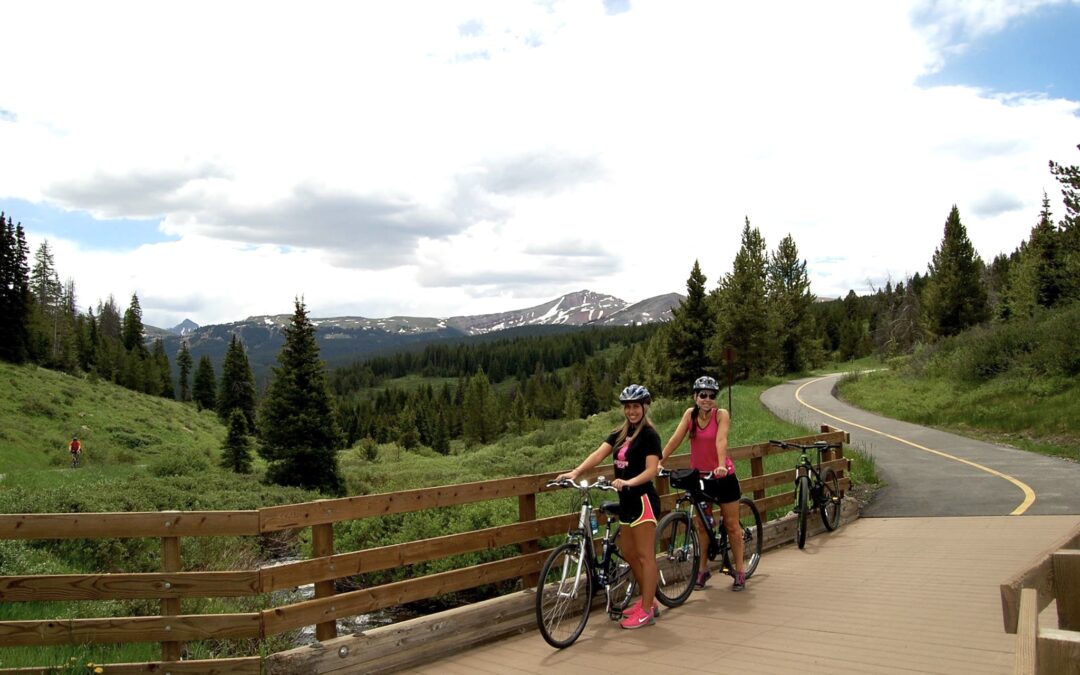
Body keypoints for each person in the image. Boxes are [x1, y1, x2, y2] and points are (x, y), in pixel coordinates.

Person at [557, 384, 661, 630]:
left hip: (643, 501)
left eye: (636, 406)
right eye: (628, 407)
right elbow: (598, 454)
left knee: (646, 556)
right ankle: (650, 600)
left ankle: (647, 610)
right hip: (626, 502)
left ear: (645, 407)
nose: (631, 411)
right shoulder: (620, 434)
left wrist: (628, 482)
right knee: (629, 553)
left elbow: (651, 470)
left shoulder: (649, 435)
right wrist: (576, 472)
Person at [660, 375, 746, 591]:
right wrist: (659, 461)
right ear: (695, 397)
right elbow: (675, 439)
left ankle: (741, 571)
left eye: (711, 395)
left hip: (723, 477)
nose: (707, 399)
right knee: (701, 525)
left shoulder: (721, 415)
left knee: (732, 525)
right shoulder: (690, 415)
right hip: (700, 478)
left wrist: (720, 465)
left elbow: (721, 440)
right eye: (702, 395)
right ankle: (703, 570)